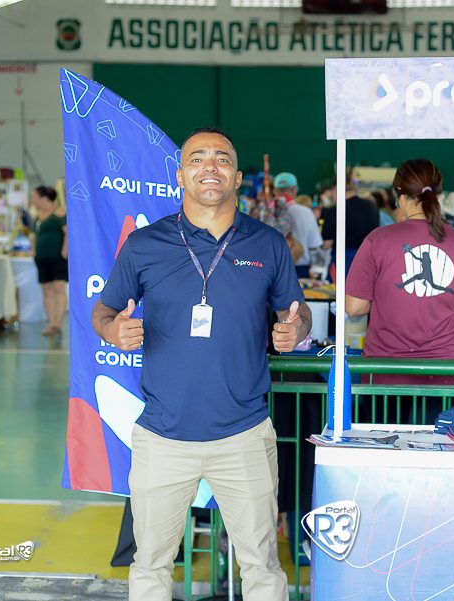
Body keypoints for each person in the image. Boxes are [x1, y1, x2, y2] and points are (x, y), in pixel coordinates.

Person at [92, 127, 310, 601]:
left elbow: (296, 310)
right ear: (180, 175)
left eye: (222, 159)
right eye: (197, 158)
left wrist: (295, 330)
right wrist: (112, 330)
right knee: (150, 565)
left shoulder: (267, 243)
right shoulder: (145, 244)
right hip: (163, 435)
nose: (210, 166)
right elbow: (104, 309)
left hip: (243, 434)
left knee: (262, 567)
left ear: (237, 177)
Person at [345, 158, 454, 416]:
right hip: (446, 371)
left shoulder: (378, 240)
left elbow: (354, 307)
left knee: (384, 441)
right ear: (439, 195)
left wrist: (386, 299)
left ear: (400, 197)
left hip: (386, 370)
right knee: (438, 441)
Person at [321, 171, 379, 277]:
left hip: (343, 261)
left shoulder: (335, 210)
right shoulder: (371, 206)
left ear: (336, 188)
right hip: (368, 259)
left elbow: (326, 244)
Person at [31, 185, 69, 336]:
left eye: (34, 197)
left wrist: (64, 252)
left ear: (44, 198)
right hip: (41, 258)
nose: (33, 200)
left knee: (58, 288)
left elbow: (68, 233)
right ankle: (51, 322)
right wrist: (33, 251)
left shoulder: (59, 213)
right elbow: (34, 235)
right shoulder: (37, 216)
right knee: (46, 290)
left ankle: (58, 323)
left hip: (57, 257)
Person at [273, 172, 323, 279]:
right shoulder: (306, 212)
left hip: (271, 270)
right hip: (300, 270)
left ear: (275, 190)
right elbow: (315, 246)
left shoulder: (264, 211)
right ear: (294, 190)